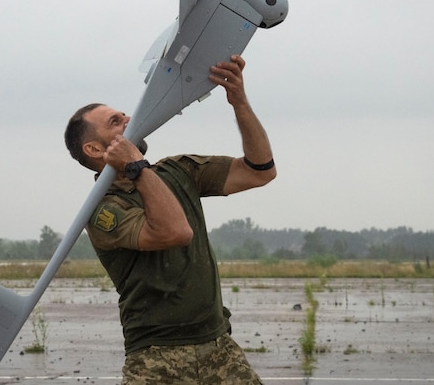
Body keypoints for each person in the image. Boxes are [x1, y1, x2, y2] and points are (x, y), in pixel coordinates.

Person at [64, 54, 276, 384]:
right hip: (155, 356)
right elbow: (175, 232)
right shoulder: (101, 210)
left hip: (218, 344)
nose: (130, 120)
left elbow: (260, 172)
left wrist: (239, 102)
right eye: (115, 122)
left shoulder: (177, 170)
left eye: (124, 115)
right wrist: (135, 164)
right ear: (94, 149)